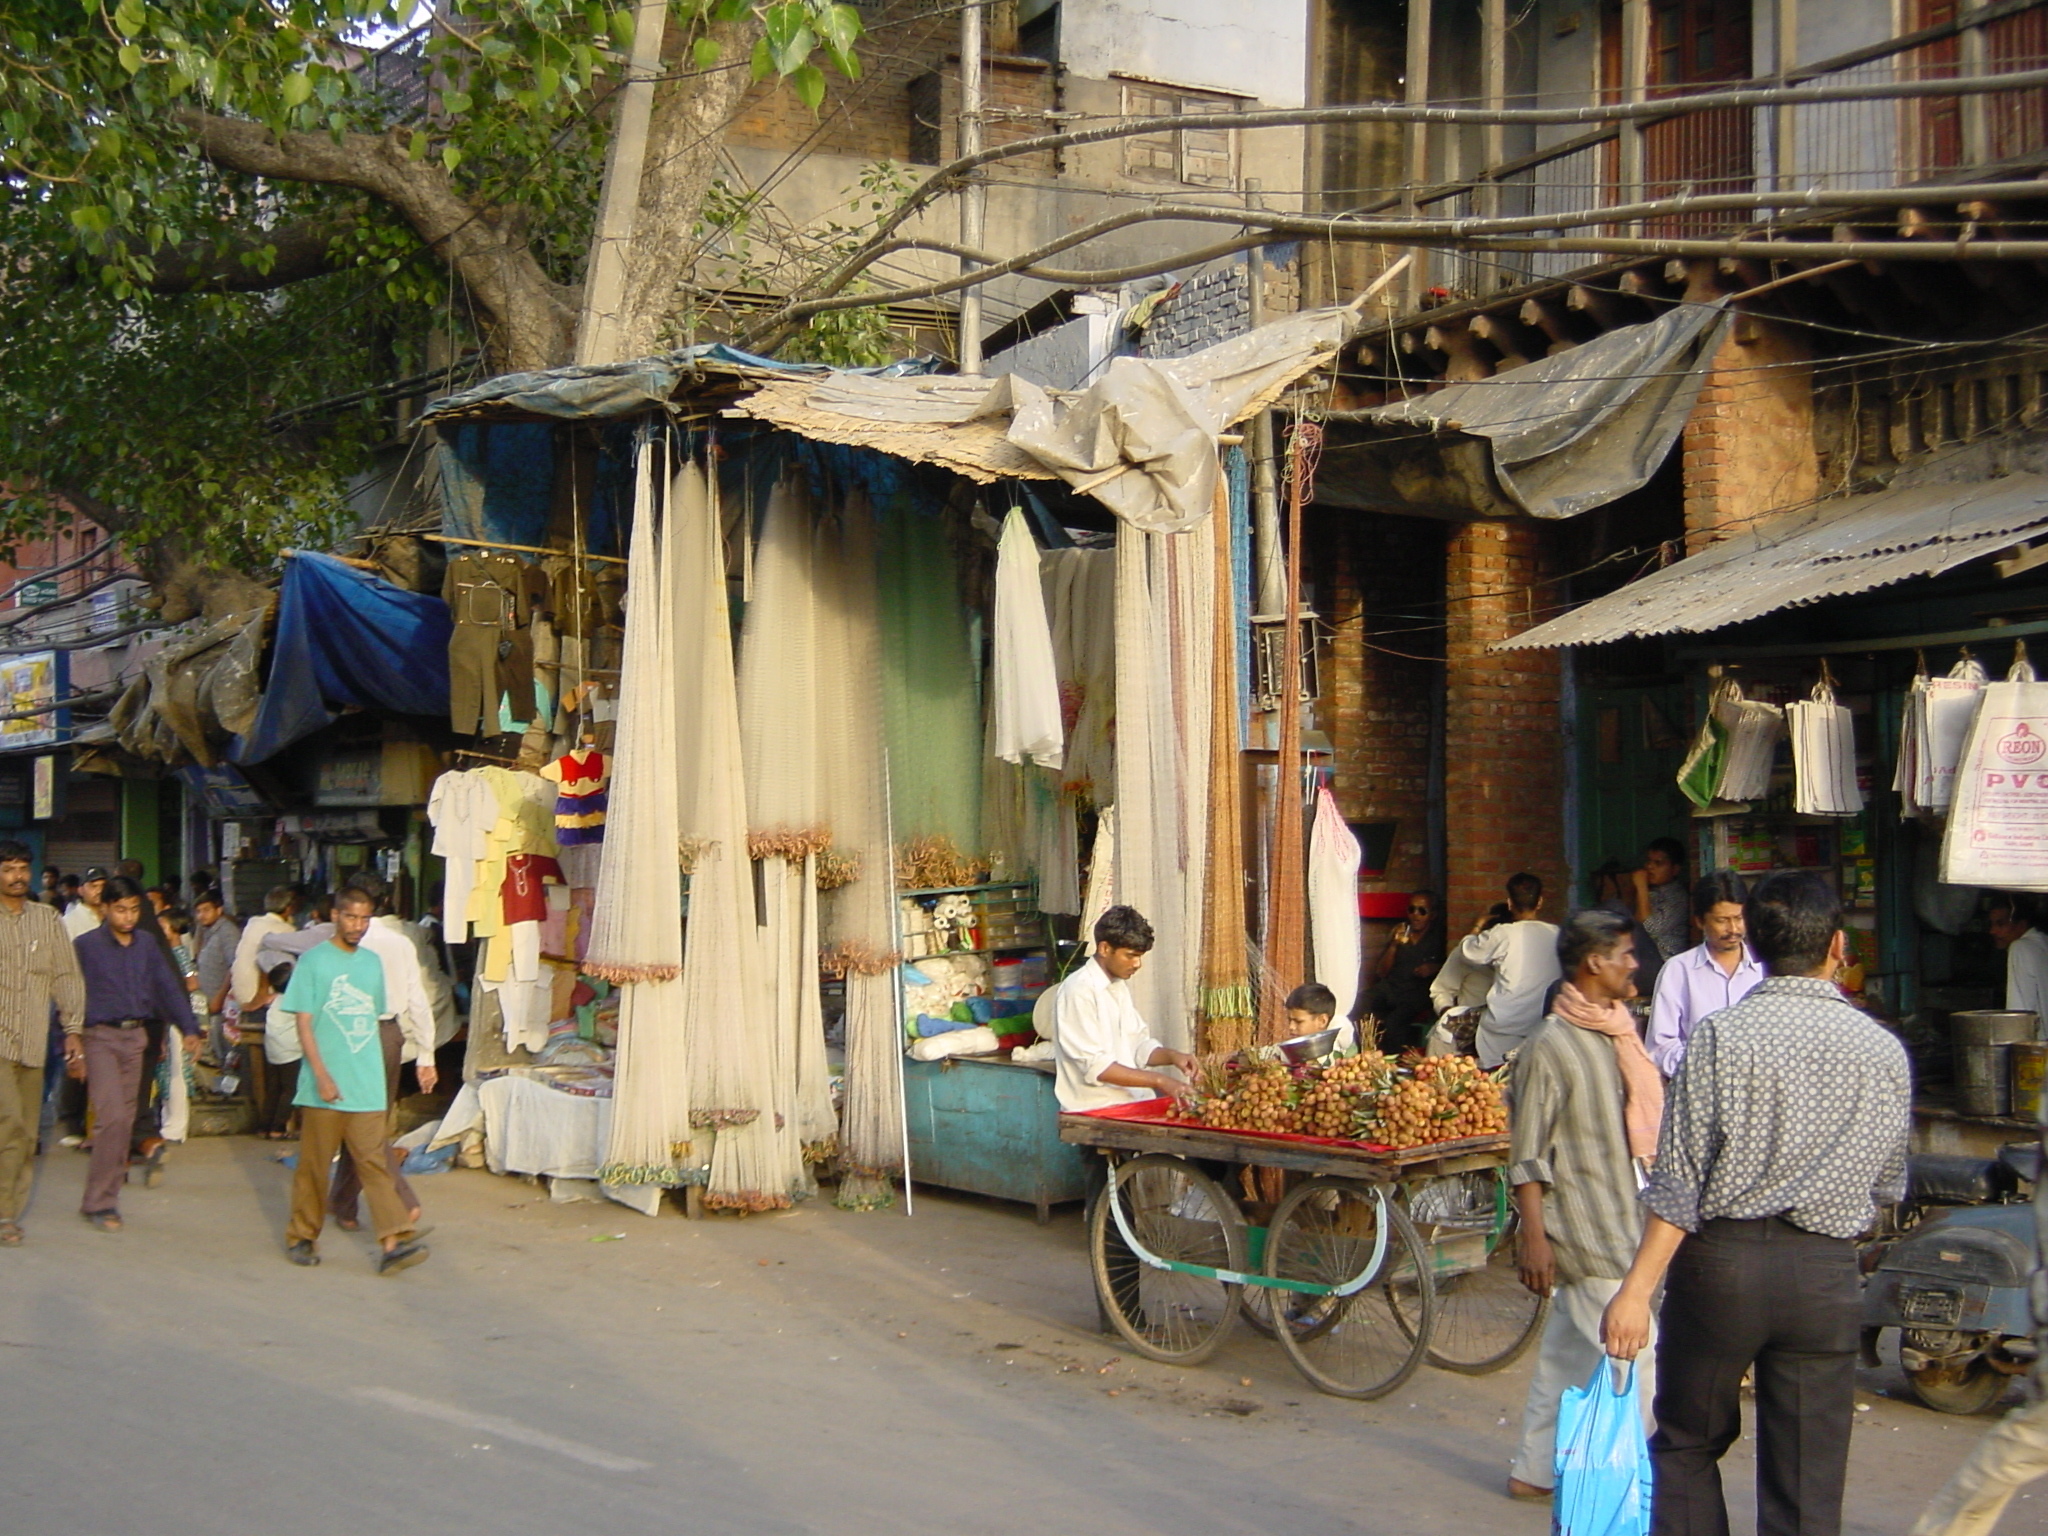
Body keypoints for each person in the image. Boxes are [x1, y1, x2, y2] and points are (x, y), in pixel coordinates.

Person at [1602, 871, 1911, 1536]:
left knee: (1685, 1445)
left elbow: (1679, 1182)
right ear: (1837, 947)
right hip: (1824, 1276)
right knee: (1806, 1482)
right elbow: (1888, 1186)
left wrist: (1636, 1290)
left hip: (1721, 1270)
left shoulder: (1718, 1037)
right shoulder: (1883, 1051)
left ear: (1757, 947)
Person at [1505, 910, 1664, 1502]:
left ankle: (1534, 1471)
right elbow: (1528, 1151)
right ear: (1593, 962)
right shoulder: (1551, 1045)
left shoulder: (1614, 1032)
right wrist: (1535, 1237)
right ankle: (1642, 1488)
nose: (1632, 964)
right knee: (1637, 1354)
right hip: (1585, 1230)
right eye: (1623, 953)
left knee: (1566, 1359)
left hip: (1622, 1216)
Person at [276, 888, 428, 1274]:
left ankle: (393, 1241)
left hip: (366, 1085)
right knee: (314, 1165)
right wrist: (322, 1077)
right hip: (324, 1086)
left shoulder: (372, 964)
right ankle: (302, 1236)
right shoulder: (313, 962)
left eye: (364, 919)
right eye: (350, 918)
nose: (357, 926)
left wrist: (378, 1081)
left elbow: (370, 1023)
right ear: (335, 916)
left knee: (374, 1164)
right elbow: (305, 1024)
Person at [73, 875, 200, 1232]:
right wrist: (69, 1044)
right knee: (111, 1118)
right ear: (104, 908)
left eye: (134, 910)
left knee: (125, 1121)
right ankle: (99, 1201)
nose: (128, 917)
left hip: (136, 1038)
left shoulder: (146, 944)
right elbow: (68, 995)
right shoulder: (85, 946)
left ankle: (107, 1196)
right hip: (98, 1037)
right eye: (120, 909)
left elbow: (167, 988)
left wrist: (188, 1027)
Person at [0, 840, 84, 1246]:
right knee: (10, 1124)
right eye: (8, 868)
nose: (17, 876)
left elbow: (66, 976)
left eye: (22, 868)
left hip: (34, 1042)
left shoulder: (48, 919)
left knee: (27, 1132)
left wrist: (73, 1029)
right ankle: (3, 1215)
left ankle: (8, 1209)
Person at [1050, 905, 1196, 1112]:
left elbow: (1139, 1048)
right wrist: (1160, 1081)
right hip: (1097, 1109)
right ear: (1104, 949)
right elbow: (1096, 1067)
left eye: (1139, 957)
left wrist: (1174, 1056)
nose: (1137, 964)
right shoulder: (1078, 991)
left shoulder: (1118, 987)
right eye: (1130, 955)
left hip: (1133, 1102)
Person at [1645, 870, 1762, 1078]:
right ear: (1700, 921)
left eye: (1738, 918)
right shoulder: (1678, 971)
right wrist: (1707, 1068)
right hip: (1699, 1092)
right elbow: (1660, 1047)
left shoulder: (1765, 968)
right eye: (1722, 920)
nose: (1733, 929)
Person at [1452, 874, 1562, 1069]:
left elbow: (1467, 952)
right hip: (1542, 1029)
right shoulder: (1558, 935)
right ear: (1540, 902)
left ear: (1509, 903)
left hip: (1502, 1030)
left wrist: (1477, 925)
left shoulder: (1502, 933)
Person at [232, 887, 301, 1137]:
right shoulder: (286, 931)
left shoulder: (252, 924)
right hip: (261, 1005)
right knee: (290, 1087)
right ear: (289, 909)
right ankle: (278, 1127)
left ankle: (264, 1126)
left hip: (252, 1006)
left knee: (272, 1084)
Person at [1364, 891, 1445, 1053]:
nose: (1415, 915)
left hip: (1417, 992)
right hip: (1392, 986)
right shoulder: (1401, 933)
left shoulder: (1439, 937)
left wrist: (1434, 967)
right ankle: (1364, 1052)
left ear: (1432, 915)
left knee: (1396, 1021)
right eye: (1412, 909)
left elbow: (1451, 966)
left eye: (1422, 911)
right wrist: (1394, 945)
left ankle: (1393, 1060)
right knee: (1362, 1003)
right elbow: (1381, 972)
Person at [1631, 838, 1691, 991]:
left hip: (1664, 966)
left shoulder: (1677, 897)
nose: (1650, 867)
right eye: (1649, 862)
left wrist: (1641, 887)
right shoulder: (1654, 893)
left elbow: (1648, 929)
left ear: (1675, 869)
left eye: (1658, 864)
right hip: (1645, 962)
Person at [191, 889, 240, 1064]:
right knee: (214, 1050)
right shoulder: (206, 930)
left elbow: (234, 966)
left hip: (222, 1003)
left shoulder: (227, 932)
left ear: (219, 910)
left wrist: (220, 996)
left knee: (225, 1051)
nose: (201, 916)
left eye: (206, 910)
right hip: (208, 1002)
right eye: (198, 911)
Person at [1988, 893, 2048, 1026]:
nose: (1993, 931)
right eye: (1992, 924)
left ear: (2021, 925)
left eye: (2000, 924)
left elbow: (2018, 1011)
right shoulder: (2043, 943)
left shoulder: (2020, 948)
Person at [62, 867, 107, 940]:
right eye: (94, 886)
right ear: (80, 890)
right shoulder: (69, 921)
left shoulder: (113, 916)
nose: (99, 891)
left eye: (103, 886)